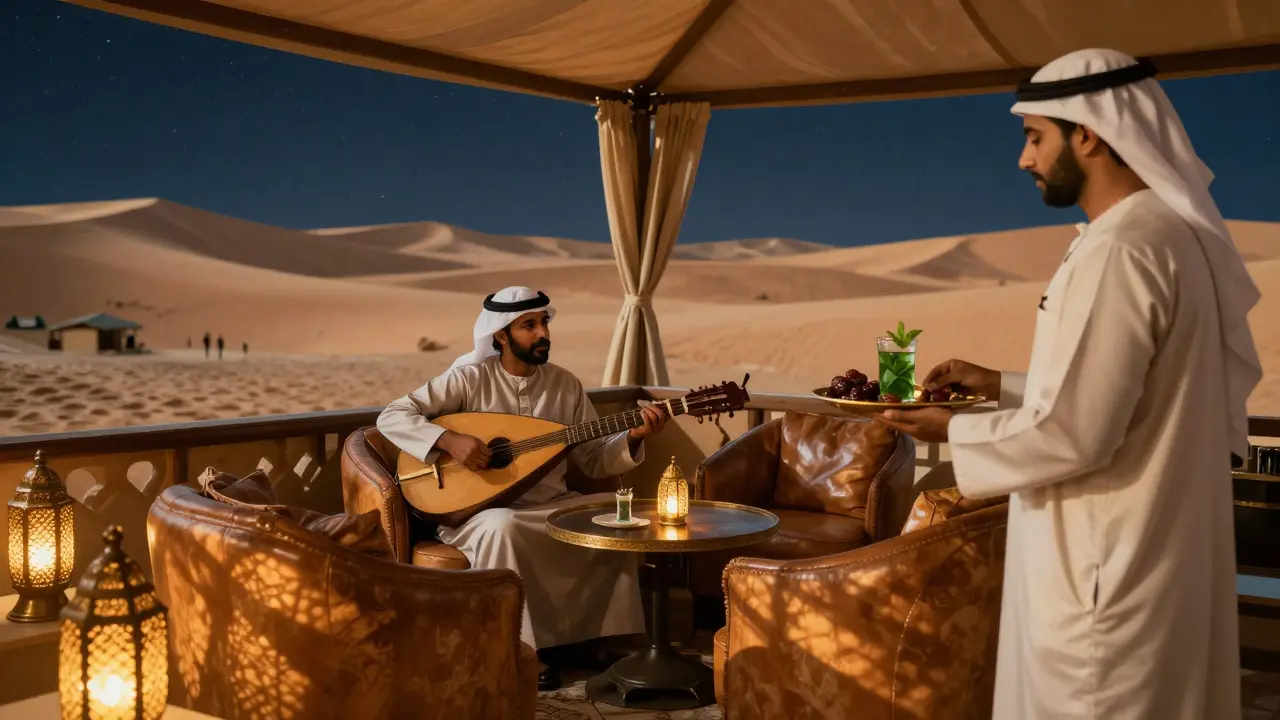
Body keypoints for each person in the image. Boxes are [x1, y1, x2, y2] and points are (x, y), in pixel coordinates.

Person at [873, 48, 1260, 719]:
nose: (1024, 159)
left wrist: (952, 429)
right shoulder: (1161, 235)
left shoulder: (1123, 249)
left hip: (1103, 570)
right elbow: (1124, 391)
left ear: (1088, 133)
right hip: (1143, 556)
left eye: (1034, 137)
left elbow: (1077, 431)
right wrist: (1000, 384)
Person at [377, 286, 668, 690]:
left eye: (544, 323)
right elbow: (392, 416)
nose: (542, 333)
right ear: (500, 334)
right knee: (504, 525)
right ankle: (518, 649)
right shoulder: (468, 378)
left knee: (613, 514)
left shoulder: (565, 385)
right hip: (478, 512)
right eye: (528, 326)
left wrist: (634, 437)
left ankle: (598, 640)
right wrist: (449, 441)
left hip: (551, 503)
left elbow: (592, 458)